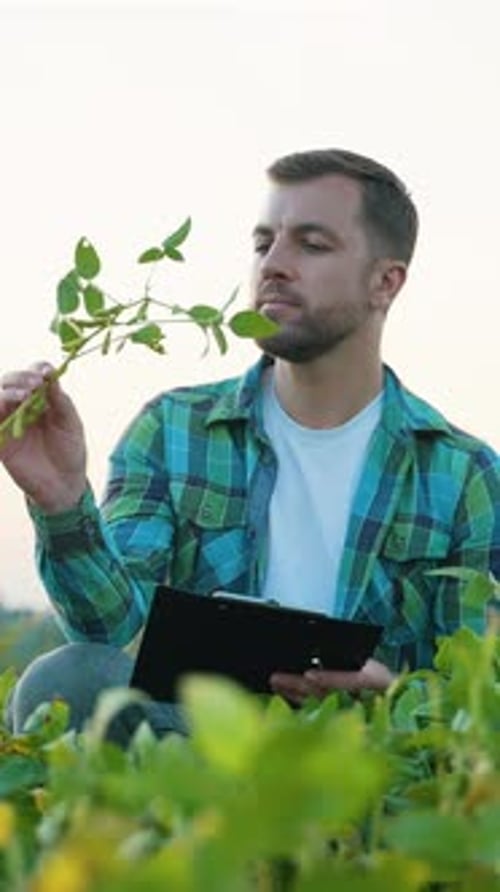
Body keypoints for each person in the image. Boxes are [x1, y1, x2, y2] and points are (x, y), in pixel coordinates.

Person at [2, 148, 500, 742]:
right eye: (264, 243)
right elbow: (107, 630)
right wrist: (62, 503)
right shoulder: (173, 429)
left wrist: (388, 692)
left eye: (311, 245)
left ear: (385, 282)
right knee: (69, 679)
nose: (275, 264)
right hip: (196, 749)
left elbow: (476, 690)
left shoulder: (463, 473)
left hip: (365, 761)